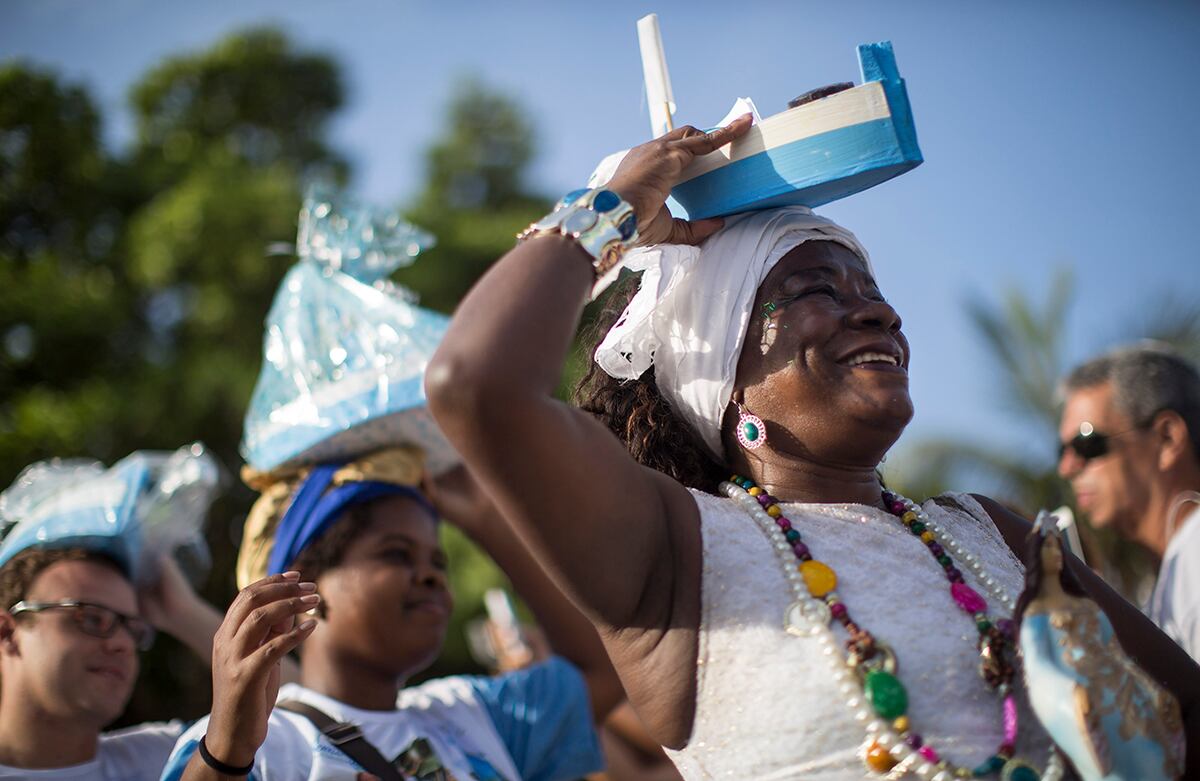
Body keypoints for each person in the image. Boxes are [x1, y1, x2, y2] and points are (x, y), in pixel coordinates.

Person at [424, 117, 1200, 779]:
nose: (880, 317)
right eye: (820, 291)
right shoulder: (675, 549)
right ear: (725, 375)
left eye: (875, 293)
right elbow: (474, 384)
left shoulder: (986, 529)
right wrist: (613, 204)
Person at [163, 449, 621, 781]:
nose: (431, 576)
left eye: (438, 562)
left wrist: (486, 521)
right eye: (397, 555)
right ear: (305, 587)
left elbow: (603, 669)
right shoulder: (261, 745)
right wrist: (227, 754)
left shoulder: (470, 715)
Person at [0, 547, 228, 780]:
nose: (123, 644)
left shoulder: (168, 758)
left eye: (132, 628)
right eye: (90, 618)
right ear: (6, 633)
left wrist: (183, 611)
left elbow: (261, 717)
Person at [1058, 344, 1200, 661]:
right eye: (1062, 451)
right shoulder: (1169, 578)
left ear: (1167, 438)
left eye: (1087, 443)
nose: (1067, 467)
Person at [1016, 526, 1184, 780]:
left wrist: (1150, 689)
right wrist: (1070, 697)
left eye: (1057, 544)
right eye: (1048, 546)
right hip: (1091, 706)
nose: (1056, 552)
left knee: (1152, 757)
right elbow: (1039, 668)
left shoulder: (1085, 605)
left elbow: (1116, 652)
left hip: (1125, 694)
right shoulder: (1035, 616)